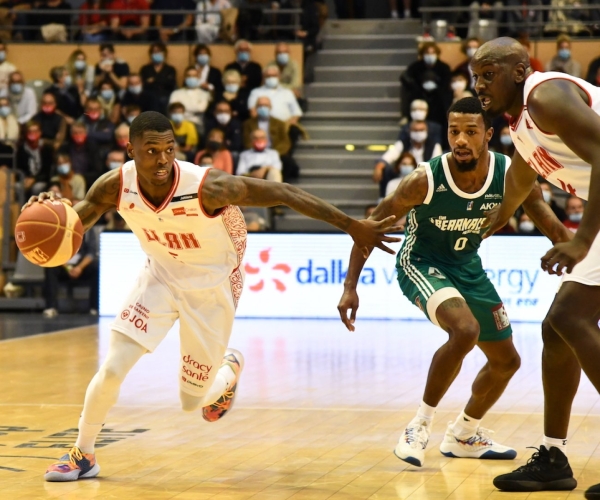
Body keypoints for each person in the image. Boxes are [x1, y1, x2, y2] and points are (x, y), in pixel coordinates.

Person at [34, 110, 400, 482]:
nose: (162, 159)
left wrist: (352, 225)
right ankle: (84, 453)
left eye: (169, 149)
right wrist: (54, 214)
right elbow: (71, 226)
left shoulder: (208, 187)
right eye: (151, 150)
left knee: (193, 400)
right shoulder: (114, 185)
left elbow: (285, 194)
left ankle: (228, 368)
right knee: (113, 368)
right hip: (159, 276)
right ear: (130, 149)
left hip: (212, 286)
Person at [337, 97, 572, 470]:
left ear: (488, 135)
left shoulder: (510, 172)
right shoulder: (424, 179)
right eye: (453, 131)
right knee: (465, 330)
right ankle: (419, 426)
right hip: (422, 263)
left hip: (467, 267)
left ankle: (464, 434)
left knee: (507, 362)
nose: (460, 139)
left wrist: (577, 257)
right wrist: (351, 285)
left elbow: (548, 221)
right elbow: (369, 226)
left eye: (470, 131)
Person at [472, 37, 600, 497]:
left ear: (520, 71)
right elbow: (522, 176)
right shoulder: (522, 121)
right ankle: (553, 457)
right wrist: (490, 222)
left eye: (489, 74)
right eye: (475, 76)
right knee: (559, 328)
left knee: (570, 318)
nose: (480, 85)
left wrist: (582, 239)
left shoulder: (546, 96)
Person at [373, 120, 443, 197]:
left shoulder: (434, 146)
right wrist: (379, 167)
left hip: (425, 179)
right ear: (409, 131)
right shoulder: (403, 143)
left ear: (427, 131)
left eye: (421, 130)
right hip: (402, 178)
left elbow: (437, 165)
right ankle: (383, 198)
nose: (418, 133)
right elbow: (389, 155)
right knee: (385, 169)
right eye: (415, 130)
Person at [16, 120, 54, 196]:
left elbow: (48, 171)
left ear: (40, 133)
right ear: (26, 134)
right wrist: (25, 179)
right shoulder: (21, 150)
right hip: (25, 178)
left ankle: (36, 207)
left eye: (35, 131)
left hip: (41, 179)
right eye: (30, 132)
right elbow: (19, 168)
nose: (33, 134)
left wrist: (34, 179)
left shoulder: (47, 149)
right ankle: (21, 207)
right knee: (17, 187)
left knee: (37, 188)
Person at [139, 43, 177, 114]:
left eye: (159, 51)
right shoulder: (145, 69)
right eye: (154, 52)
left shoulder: (170, 69)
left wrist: (154, 80)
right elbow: (144, 84)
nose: (157, 53)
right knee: (152, 99)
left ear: (164, 53)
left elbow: (171, 84)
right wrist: (162, 79)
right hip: (150, 95)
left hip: (166, 95)